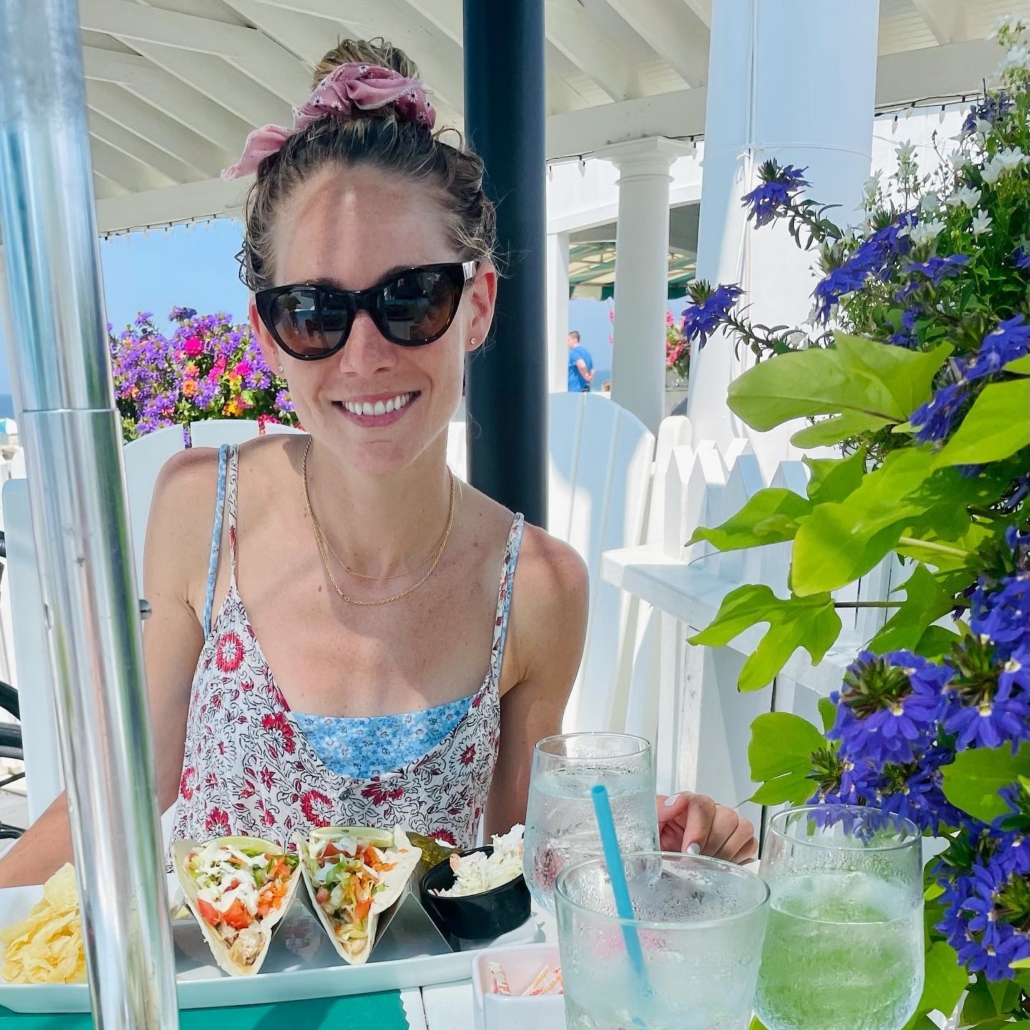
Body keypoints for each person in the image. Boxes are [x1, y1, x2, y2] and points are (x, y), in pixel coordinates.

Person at [0, 39, 755, 888]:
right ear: (267, 336)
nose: (362, 356)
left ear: (476, 306)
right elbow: (126, 786)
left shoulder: (540, 588)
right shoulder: (198, 510)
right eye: (315, 311)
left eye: (410, 298)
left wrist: (653, 852)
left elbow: (515, 867)